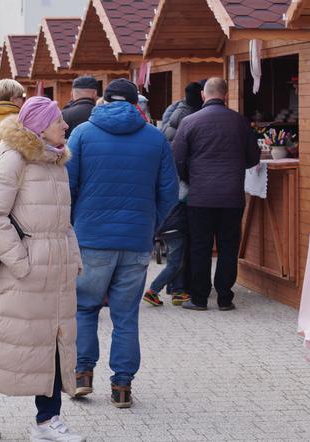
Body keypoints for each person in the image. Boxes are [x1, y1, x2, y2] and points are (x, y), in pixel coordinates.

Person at [0, 96, 84, 442]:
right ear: (41, 126)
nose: (65, 126)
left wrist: (73, 257)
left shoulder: (56, 162)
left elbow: (63, 223)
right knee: (5, 343)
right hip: (21, 274)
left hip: (54, 273)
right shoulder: (14, 160)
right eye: (59, 121)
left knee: (52, 343)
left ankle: (47, 421)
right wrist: (20, 260)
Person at [67, 78, 178, 408]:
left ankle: (82, 374)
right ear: (135, 103)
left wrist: (75, 224)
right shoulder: (155, 139)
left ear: (104, 100)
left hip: (91, 239)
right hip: (136, 240)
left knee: (85, 308)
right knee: (126, 316)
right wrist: (150, 224)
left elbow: (67, 187)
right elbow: (170, 193)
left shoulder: (83, 134)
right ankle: (122, 387)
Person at [172, 77, 260, 311]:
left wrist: (191, 178)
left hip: (200, 196)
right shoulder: (240, 122)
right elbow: (253, 158)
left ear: (203, 95)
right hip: (232, 196)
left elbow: (177, 159)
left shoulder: (190, 122)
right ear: (226, 94)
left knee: (200, 246)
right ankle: (224, 298)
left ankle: (199, 298)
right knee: (228, 246)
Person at [143, 198, 188, 307]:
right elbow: (183, 196)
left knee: (177, 262)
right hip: (174, 228)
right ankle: (153, 291)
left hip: (165, 227)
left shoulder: (165, 188)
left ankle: (178, 292)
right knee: (174, 264)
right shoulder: (179, 188)